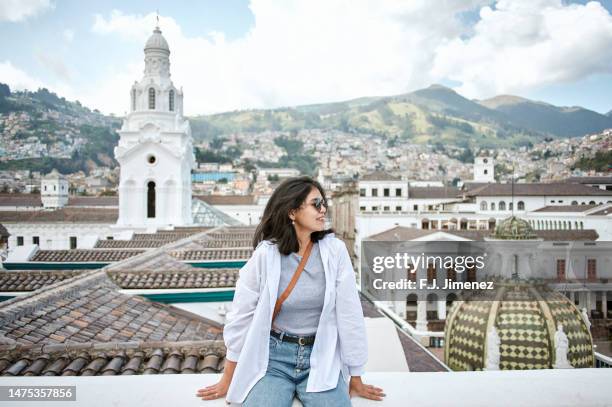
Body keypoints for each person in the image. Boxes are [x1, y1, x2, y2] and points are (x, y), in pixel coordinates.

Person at [197, 176, 385, 405]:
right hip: (272, 360)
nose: (323, 209)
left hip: (320, 357)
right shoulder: (266, 255)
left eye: (324, 203)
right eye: (316, 204)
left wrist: (356, 376)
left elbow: (350, 313)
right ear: (292, 212)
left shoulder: (335, 252)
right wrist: (228, 378)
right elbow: (241, 316)